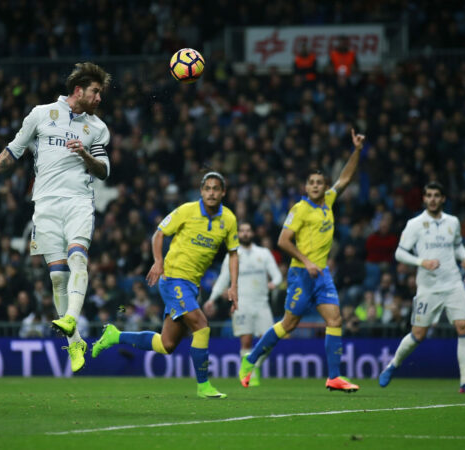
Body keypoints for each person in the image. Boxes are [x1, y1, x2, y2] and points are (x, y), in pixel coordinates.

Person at [0, 62, 112, 372]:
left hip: (78, 201)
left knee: (78, 259)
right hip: (45, 204)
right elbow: (14, 150)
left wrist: (85, 155)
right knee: (58, 276)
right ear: (79, 90)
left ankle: (71, 315)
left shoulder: (97, 128)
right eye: (96, 92)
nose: (100, 98)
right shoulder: (41, 114)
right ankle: (75, 342)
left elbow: (103, 170)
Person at [238, 129, 365, 392]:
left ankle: (334, 377)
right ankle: (250, 360)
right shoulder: (299, 209)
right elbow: (283, 241)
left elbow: (345, 178)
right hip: (301, 274)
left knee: (335, 320)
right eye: (312, 183)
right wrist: (307, 262)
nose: (317, 186)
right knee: (289, 324)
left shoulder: (329, 200)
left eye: (320, 182)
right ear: (306, 187)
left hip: (323, 275)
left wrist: (357, 150)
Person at [92, 172, 239, 399]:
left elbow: (233, 254)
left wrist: (234, 285)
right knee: (201, 325)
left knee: (166, 344)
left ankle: (114, 336)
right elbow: (159, 233)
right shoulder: (186, 210)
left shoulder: (229, 220)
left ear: (223, 192)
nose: (211, 192)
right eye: (207, 188)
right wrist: (158, 261)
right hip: (173, 278)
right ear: (201, 191)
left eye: (216, 189)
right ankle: (203, 386)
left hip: (192, 285)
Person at [379, 182, 465, 394]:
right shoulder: (415, 224)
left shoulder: (452, 222)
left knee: (464, 327)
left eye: (437, 195)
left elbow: (456, 245)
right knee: (418, 334)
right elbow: (400, 253)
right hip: (428, 286)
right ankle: (393, 365)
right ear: (424, 199)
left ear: (443, 198)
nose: (433, 199)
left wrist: (464, 257)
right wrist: (421, 262)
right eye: (429, 195)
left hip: (453, 282)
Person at [206, 222, 282, 387]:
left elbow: (277, 275)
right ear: (238, 234)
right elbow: (223, 279)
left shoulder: (263, 253)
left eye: (248, 230)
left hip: (262, 303)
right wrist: (212, 299)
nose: (245, 233)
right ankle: (251, 374)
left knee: (269, 341)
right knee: (246, 341)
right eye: (242, 231)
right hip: (242, 304)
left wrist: (274, 284)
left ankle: (253, 366)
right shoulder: (233, 256)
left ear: (252, 233)